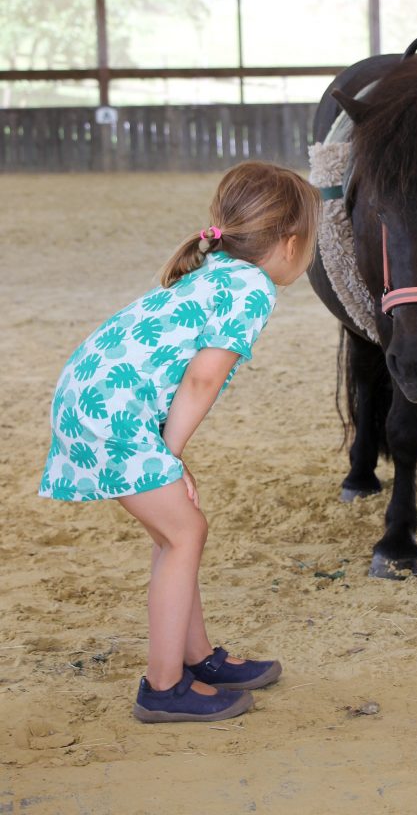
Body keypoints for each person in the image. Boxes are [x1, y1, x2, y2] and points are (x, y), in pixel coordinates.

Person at [39, 161, 320, 723]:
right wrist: (171, 454)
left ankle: (197, 658)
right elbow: (202, 378)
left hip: (91, 397)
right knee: (185, 531)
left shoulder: (219, 269)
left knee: (175, 533)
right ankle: (164, 687)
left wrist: (167, 456)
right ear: (290, 244)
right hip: (112, 413)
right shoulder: (252, 288)